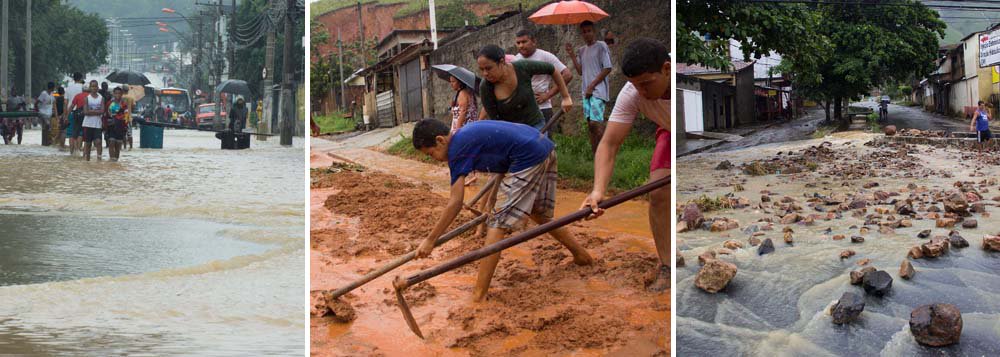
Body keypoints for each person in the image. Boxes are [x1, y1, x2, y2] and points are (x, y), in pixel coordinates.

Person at [411, 118, 594, 302]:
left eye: (430, 153)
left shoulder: (457, 149)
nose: (432, 158)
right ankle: (581, 255)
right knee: (537, 213)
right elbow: (502, 161)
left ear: (440, 140)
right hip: (543, 147)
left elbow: (456, 202)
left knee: (497, 225)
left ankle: (478, 295)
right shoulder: (465, 135)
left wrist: (430, 240)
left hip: (528, 157)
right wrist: (492, 201)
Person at [580, 38, 671, 292]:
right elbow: (609, 144)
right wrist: (598, 191)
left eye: (646, 84)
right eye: (635, 85)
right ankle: (667, 265)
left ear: (666, 69)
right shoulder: (632, 93)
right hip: (669, 131)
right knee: (659, 192)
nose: (641, 92)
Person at [476, 44, 572, 130]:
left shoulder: (522, 67)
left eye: (488, 68)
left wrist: (566, 97)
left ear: (501, 62)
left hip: (535, 125)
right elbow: (496, 121)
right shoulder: (485, 87)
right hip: (512, 133)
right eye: (481, 69)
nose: (485, 73)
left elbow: (552, 69)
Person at [566, 20, 613, 155]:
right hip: (586, 92)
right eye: (584, 32)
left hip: (597, 91)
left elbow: (607, 68)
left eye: (589, 31)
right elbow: (580, 71)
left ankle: (607, 153)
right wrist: (572, 55)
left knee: (595, 123)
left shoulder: (601, 46)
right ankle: (596, 156)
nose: (587, 34)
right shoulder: (581, 50)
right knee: (590, 126)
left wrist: (592, 86)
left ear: (594, 31)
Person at [514, 29, 573, 133]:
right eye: (518, 43)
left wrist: (548, 95)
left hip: (542, 108)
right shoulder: (515, 60)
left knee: (544, 142)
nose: (521, 46)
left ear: (534, 42)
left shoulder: (545, 56)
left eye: (524, 42)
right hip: (522, 109)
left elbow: (567, 75)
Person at [80, 80, 105, 161]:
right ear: (90, 88)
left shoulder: (101, 98)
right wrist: (96, 111)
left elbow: (102, 111)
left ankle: (99, 159)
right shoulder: (87, 98)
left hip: (97, 124)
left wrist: (91, 111)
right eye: (92, 86)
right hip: (87, 124)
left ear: (98, 88)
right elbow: (85, 112)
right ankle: (87, 159)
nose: (94, 88)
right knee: (88, 143)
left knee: (98, 142)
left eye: (95, 86)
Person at [65, 72, 86, 156]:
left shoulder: (68, 88)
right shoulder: (83, 88)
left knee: (71, 133)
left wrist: (65, 114)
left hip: (70, 112)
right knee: (80, 132)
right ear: (81, 78)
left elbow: (65, 102)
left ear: (73, 78)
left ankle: (71, 152)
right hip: (81, 112)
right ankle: (78, 151)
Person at [105, 87, 129, 161]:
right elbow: (106, 114)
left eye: (119, 93)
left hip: (120, 126)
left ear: (121, 94)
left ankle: (116, 160)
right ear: (113, 94)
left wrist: (126, 125)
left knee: (118, 144)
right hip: (111, 126)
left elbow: (127, 116)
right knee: (111, 142)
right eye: (116, 93)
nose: (117, 95)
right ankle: (112, 160)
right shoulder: (109, 103)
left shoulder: (124, 104)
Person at [55, 86, 67, 150]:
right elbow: (65, 108)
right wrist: (64, 116)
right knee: (63, 132)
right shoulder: (65, 99)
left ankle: (56, 144)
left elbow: (55, 109)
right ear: (64, 92)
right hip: (63, 116)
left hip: (58, 116)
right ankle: (62, 146)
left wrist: (57, 117)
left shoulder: (56, 99)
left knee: (60, 131)